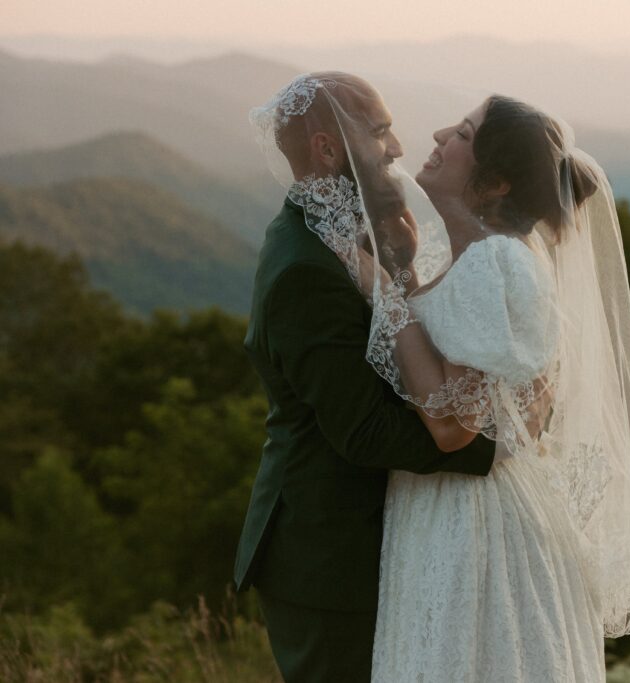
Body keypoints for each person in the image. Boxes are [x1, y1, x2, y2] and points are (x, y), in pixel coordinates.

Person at [273, 75, 630, 682]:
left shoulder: (497, 261)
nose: (438, 134)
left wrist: (382, 294)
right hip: (438, 509)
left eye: (464, 133)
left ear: (496, 182)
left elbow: (452, 427)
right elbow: (515, 393)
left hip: (475, 523)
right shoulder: (468, 260)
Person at [235, 72, 496, 683]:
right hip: (327, 559)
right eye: (380, 131)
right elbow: (365, 432)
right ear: (328, 149)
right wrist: (494, 450)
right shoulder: (306, 268)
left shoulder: (339, 233)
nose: (399, 147)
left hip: (361, 544)